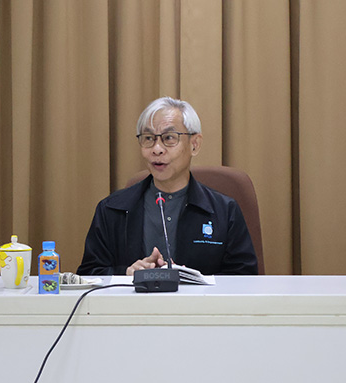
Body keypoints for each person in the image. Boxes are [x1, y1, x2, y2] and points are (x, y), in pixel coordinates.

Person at [77, 97, 258, 276]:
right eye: (148, 138)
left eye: (169, 138)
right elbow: (89, 273)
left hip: (199, 305)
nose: (157, 149)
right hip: (134, 305)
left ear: (194, 145)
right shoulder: (111, 209)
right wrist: (126, 273)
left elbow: (244, 278)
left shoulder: (224, 212)